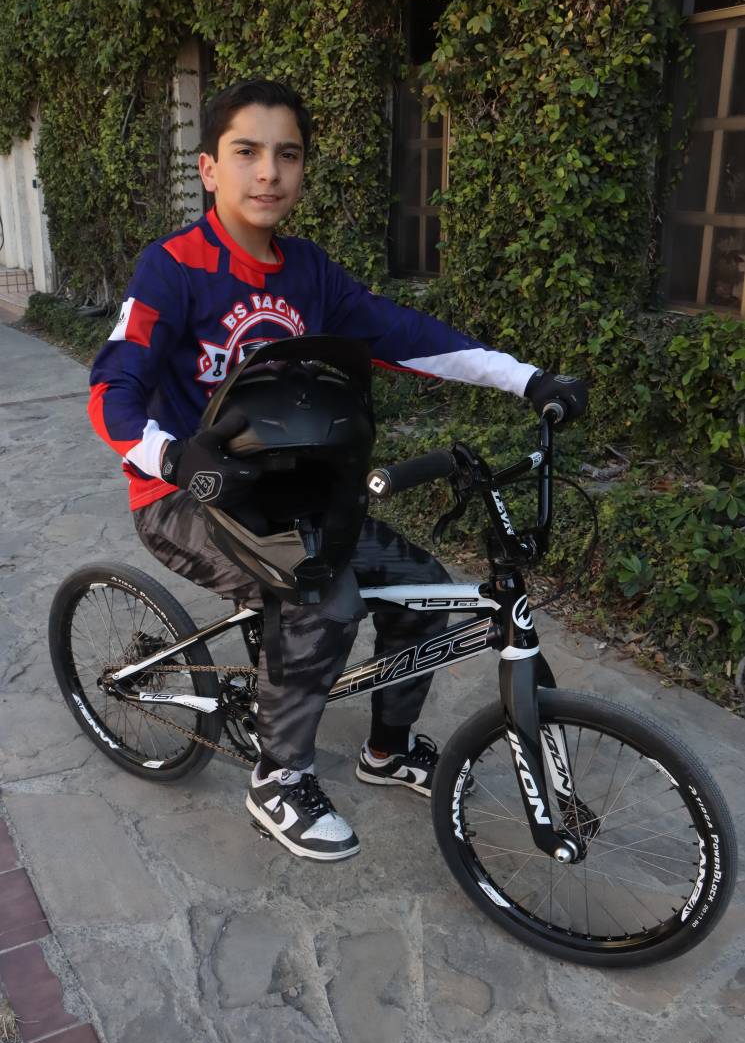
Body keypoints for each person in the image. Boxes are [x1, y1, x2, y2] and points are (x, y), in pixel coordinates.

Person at [88, 78, 588, 862]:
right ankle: (278, 778)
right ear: (209, 168)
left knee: (420, 589)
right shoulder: (173, 269)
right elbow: (111, 388)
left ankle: (385, 749)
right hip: (186, 498)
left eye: (287, 154)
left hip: (291, 497)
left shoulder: (309, 274)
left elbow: (403, 334)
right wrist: (169, 455)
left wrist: (523, 378)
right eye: (246, 152)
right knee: (324, 604)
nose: (268, 173)